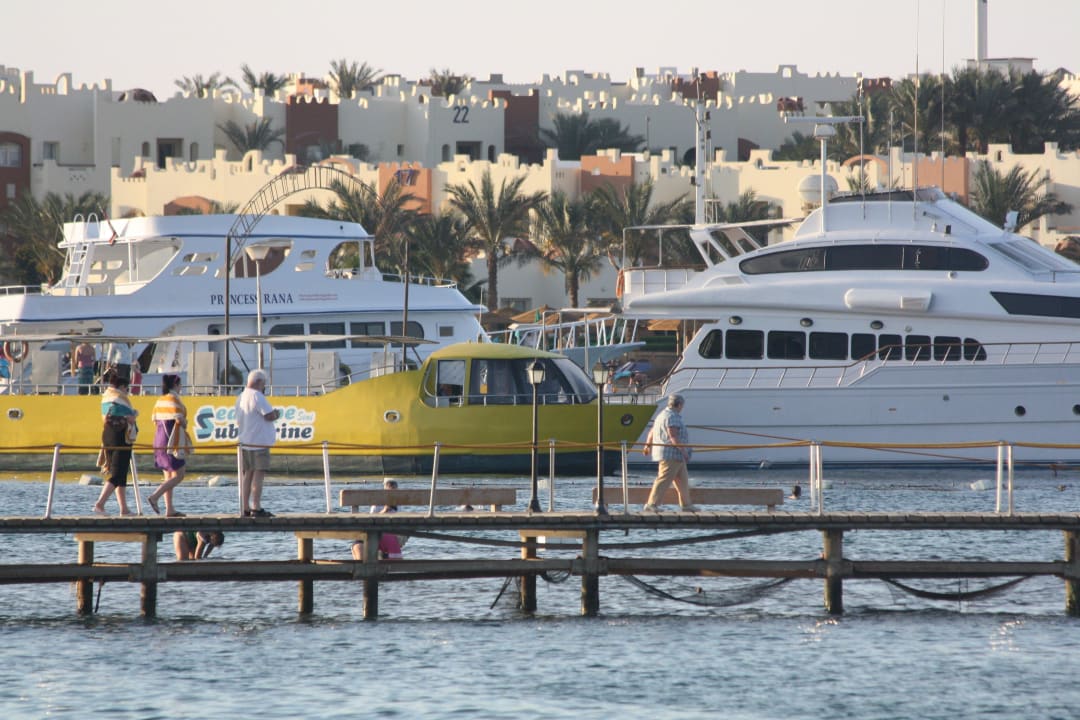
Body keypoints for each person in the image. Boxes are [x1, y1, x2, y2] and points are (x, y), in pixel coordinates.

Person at [92, 369, 138, 515]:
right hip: (120, 437)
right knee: (117, 474)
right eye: (126, 389)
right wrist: (134, 414)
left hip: (107, 435)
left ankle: (124, 509)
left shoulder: (106, 397)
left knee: (121, 473)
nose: (127, 392)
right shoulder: (119, 397)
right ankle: (100, 504)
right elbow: (129, 417)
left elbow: (108, 417)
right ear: (122, 387)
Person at [235, 368, 279, 517]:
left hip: (245, 441)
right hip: (259, 442)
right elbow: (269, 416)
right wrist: (277, 413)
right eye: (264, 383)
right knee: (259, 474)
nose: (264, 386)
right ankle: (256, 506)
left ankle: (245, 506)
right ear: (259, 382)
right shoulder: (257, 396)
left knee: (247, 474)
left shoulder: (241, 397)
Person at [641, 393, 696, 512]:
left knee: (682, 481)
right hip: (671, 454)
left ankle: (686, 505)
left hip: (675, 456)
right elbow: (673, 436)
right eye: (682, 405)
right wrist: (684, 451)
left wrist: (647, 446)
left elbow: (652, 431)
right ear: (679, 405)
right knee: (664, 479)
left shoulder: (662, 415)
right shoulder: (673, 416)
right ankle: (651, 504)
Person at [148, 374, 189, 517]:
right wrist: (185, 423)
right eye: (180, 385)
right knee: (179, 474)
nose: (181, 387)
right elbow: (180, 419)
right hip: (170, 440)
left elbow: (154, 420)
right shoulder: (174, 399)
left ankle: (169, 509)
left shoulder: (160, 400)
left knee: (168, 476)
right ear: (176, 385)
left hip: (159, 439)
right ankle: (155, 496)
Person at [352, 479, 405, 560]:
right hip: (376, 531)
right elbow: (371, 520)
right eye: (390, 492)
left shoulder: (398, 505)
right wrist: (384, 510)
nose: (393, 495)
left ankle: (387, 557)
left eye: (395, 492)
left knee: (393, 539)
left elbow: (399, 521)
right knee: (359, 545)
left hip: (390, 532)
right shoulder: (377, 503)